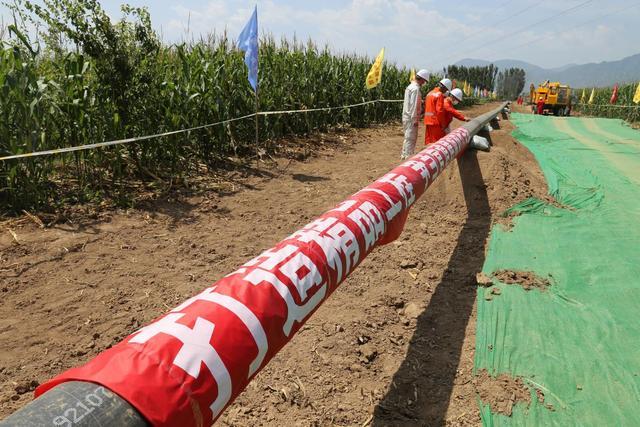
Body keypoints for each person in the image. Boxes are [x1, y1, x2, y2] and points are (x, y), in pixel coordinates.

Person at [400, 69, 430, 160]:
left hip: (406, 116)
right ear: (422, 79)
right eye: (424, 81)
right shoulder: (416, 89)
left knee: (407, 137)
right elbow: (413, 106)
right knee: (411, 138)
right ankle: (407, 157)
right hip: (411, 117)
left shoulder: (410, 86)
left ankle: (404, 155)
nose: (424, 83)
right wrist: (415, 120)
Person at [423, 78, 453, 145]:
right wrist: (443, 125)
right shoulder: (439, 95)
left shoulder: (429, 93)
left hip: (428, 121)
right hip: (435, 123)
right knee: (437, 144)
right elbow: (440, 111)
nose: (445, 91)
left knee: (429, 142)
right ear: (443, 87)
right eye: (446, 89)